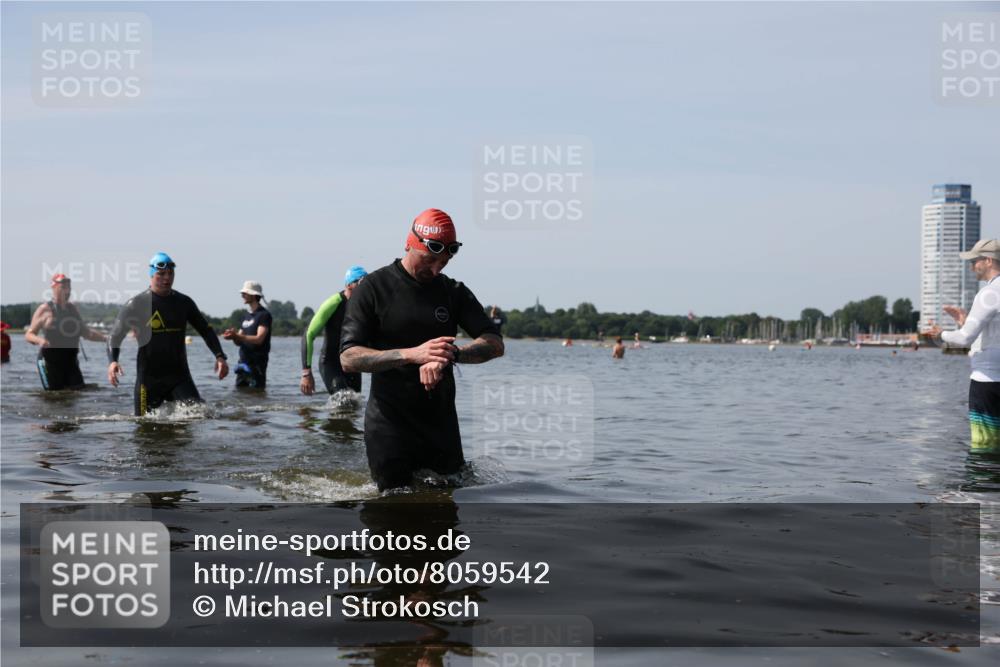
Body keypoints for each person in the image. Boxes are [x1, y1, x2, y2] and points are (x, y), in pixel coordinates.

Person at [340, 209, 504, 491]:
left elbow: (494, 343)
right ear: (410, 244)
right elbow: (348, 358)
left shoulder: (453, 291)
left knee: (446, 514)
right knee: (391, 510)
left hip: (440, 425)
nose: (437, 269)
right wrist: (411, 354)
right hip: (389, 423)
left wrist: (452, 354)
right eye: (430, 259)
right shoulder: (373, 288)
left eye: (444, 261)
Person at [106, 252, 229, 415]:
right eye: (161, 274)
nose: (167, 278)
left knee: (200, 415)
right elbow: (114, 336)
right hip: (148, 380)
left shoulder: (184, 302)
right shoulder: (136, 304)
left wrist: (220, 356)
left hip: (179, 377)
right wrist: (113, 361)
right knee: (143, 428)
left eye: (170, 274)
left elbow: (205, 330)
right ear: (151, 275)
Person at [936, 239, 1000, 450]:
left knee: (984, 444)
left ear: (989, 260)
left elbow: (964, 339)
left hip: (987, 382)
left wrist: (941, 333)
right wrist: (965, 321)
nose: (971, 266)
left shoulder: (989, 293)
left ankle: (982, 483)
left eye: (975, 261)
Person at [24, 274, 106, 390]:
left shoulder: (72, 309)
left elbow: (87, 333)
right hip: (49, 362)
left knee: (78, 393)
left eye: (69, 288)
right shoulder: (45, 309)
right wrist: (39, 340)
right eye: (63, 288)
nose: (67, 291)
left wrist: (106, 339)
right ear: (54, 288)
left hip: (70, 362)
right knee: (54, 397)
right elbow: (29, 334)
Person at [301, 265, 367, 395]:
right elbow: (309, 334)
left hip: (351, 361)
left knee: (355, 403)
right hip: (330, 362)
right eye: (361, 283)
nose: (365, 287)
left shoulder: (364, 305)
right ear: (349, 285)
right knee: (342, 399)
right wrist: (306, 373)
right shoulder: (333, 303)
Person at [222, 281, 272, 389]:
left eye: (245, 293)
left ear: (254, 295)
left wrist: (236, 335)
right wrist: (233, 336)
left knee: (257, 395)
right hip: (243, 363)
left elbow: (259, 339)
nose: (242, 295)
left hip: (257, 364)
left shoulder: (264, 315)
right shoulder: (246, 316)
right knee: (240, 395)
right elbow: (238, 342)